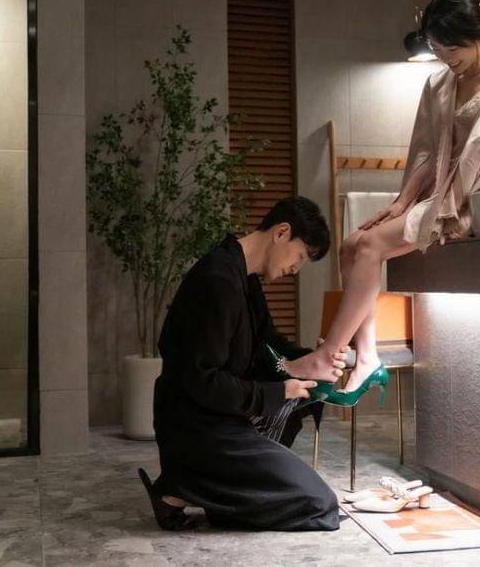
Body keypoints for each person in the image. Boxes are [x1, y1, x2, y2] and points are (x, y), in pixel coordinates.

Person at [282, 0, 480, 404]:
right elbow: (425, 151)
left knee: (370, 246)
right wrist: (401, 203)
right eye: (437, 49)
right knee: (351, 244)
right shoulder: (439, 82)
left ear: (474, 35)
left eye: (451, 48)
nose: (445, 58)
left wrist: (440, 209)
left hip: (475, 196)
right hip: (433, 195)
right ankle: (367, 357)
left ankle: (328, 355)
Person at [138, 197, 347, 531]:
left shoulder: (244, 277)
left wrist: (311, 360)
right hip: (198, 428)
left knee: (305, 399)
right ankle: (182, 488)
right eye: (300, 257)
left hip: (221, 416)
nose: (296, 269)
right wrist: (279, 390)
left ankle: (211, 493)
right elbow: (204, 381)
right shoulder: (216, 280)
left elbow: (267, 344)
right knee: (319, 505)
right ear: (282, 232)